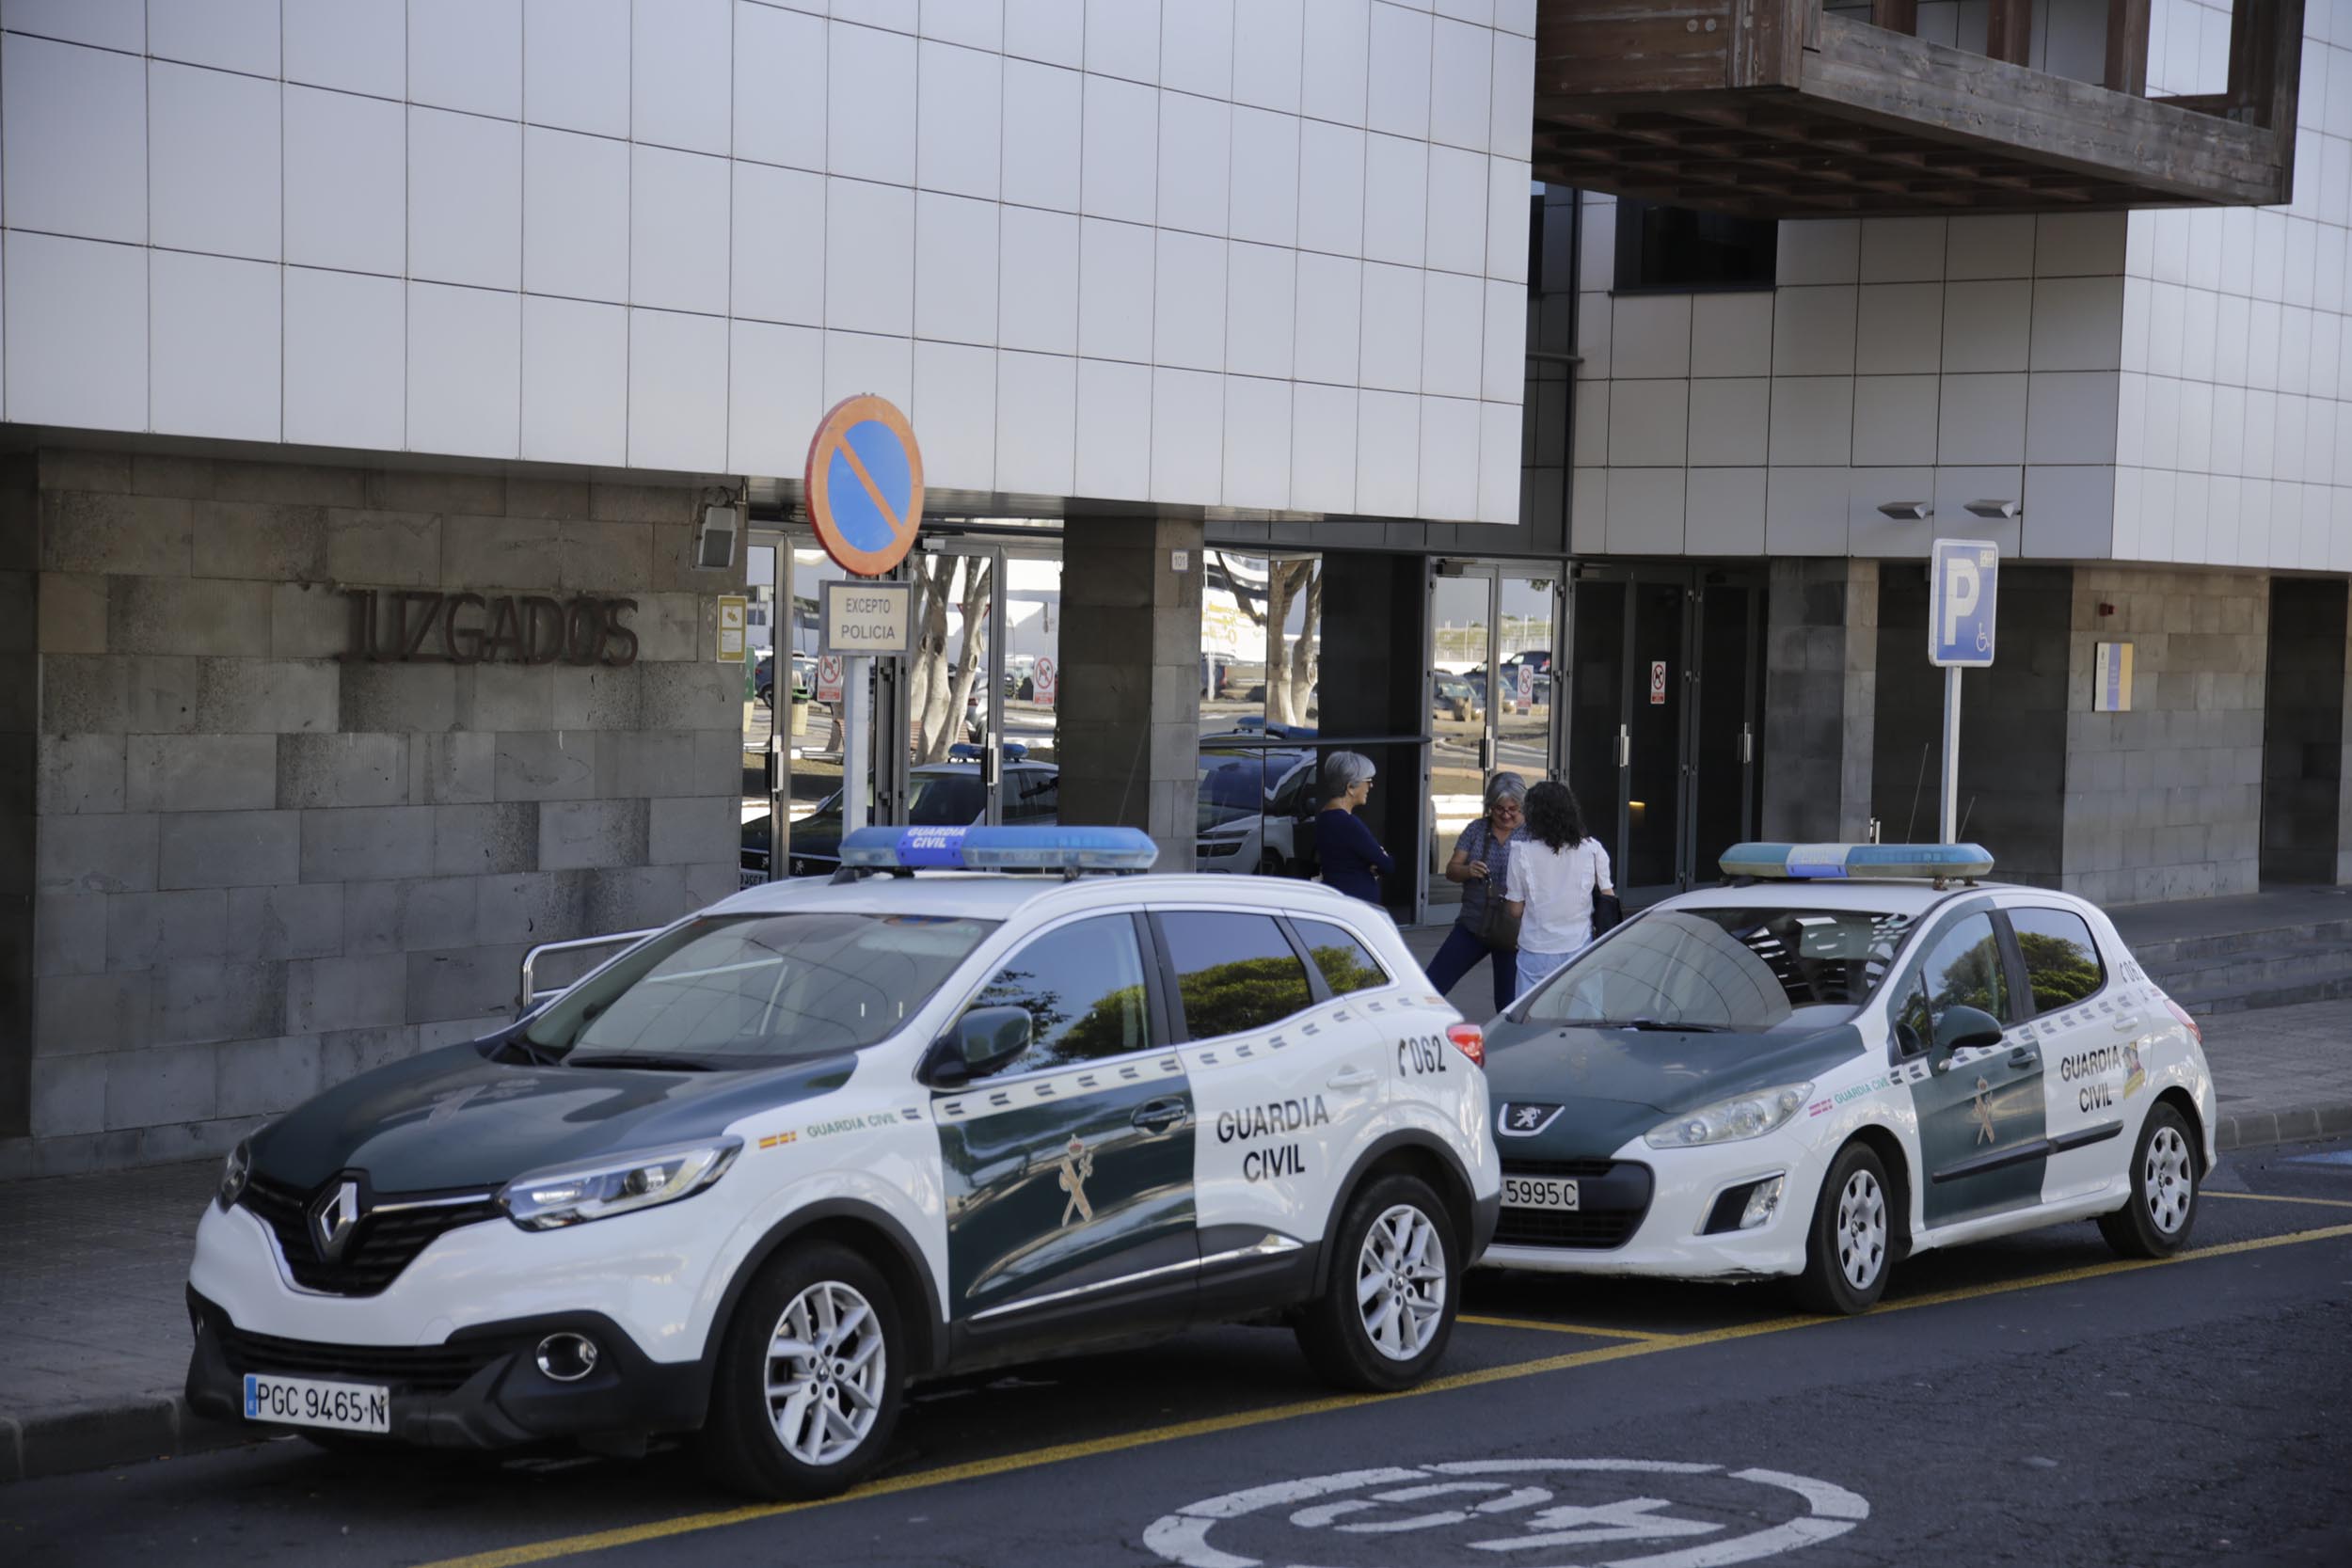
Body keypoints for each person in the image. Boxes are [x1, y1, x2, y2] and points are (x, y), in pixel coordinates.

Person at [1422, 772, 1527, 1018]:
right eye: (1498, 809)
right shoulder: (1477, 830)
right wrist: (1468, 870)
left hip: (1512, 931)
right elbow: (1451, 870)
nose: (1505, 815)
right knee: (1433, 984)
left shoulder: (1531, 833)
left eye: (1513, 809)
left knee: (1508, 1003)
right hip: (1473, 924)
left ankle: (1506, 1049)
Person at [1503, 781, 1613, 999]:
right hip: (1580, 947)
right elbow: (1608, 898)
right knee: (1584, 1019)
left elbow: (1514, 910)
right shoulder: (1593, 850)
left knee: (1531, 1020)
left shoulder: (1521, 852)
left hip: (1536, 948)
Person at [1313, 752, 1393, 906]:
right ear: (1350, 787)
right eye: (1368, 780)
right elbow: (1387, 865)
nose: (1371, 785)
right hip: (1357, 903)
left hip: (1341, 899)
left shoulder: (1325, 815)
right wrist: (1379, 858)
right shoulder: (1347, 823)